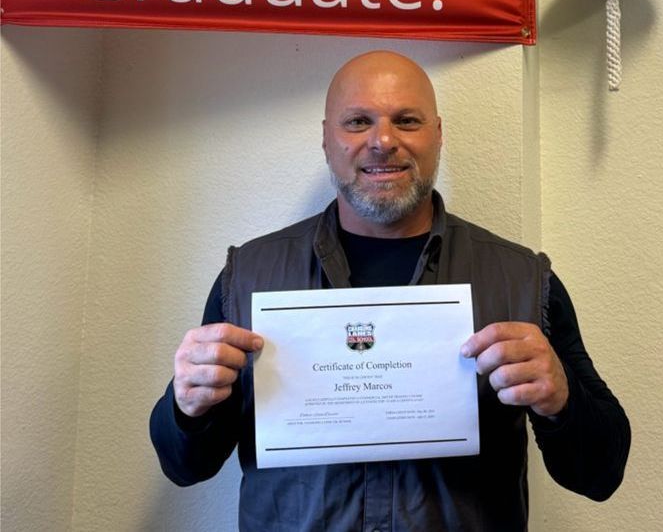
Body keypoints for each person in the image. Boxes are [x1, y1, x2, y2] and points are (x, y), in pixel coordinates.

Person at [150, 50, 630, 531]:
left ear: (437, 135)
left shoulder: (522, 279)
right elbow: (185, 466)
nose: (383, 141)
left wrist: (561, 400)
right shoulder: (249, 277)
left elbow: (600, 474)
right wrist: (187, 407)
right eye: (358, 122)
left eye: (407, 120)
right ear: (326, 138)